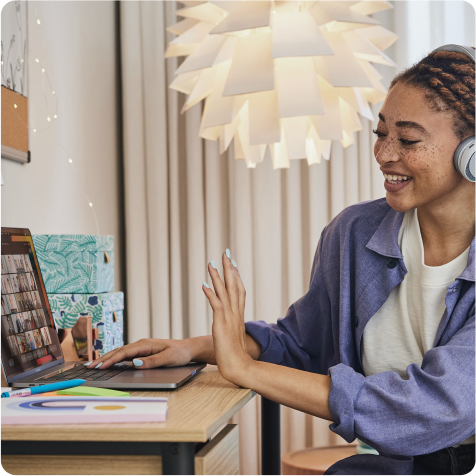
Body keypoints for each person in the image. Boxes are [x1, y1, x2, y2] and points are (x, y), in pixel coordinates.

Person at [85, 46, 476, 476]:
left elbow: (431, 409)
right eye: (380, 134)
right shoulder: (355, 233)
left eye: (408, 139)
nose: (384, 154)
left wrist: (244, 369)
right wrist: (196, 349)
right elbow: (300, 344)